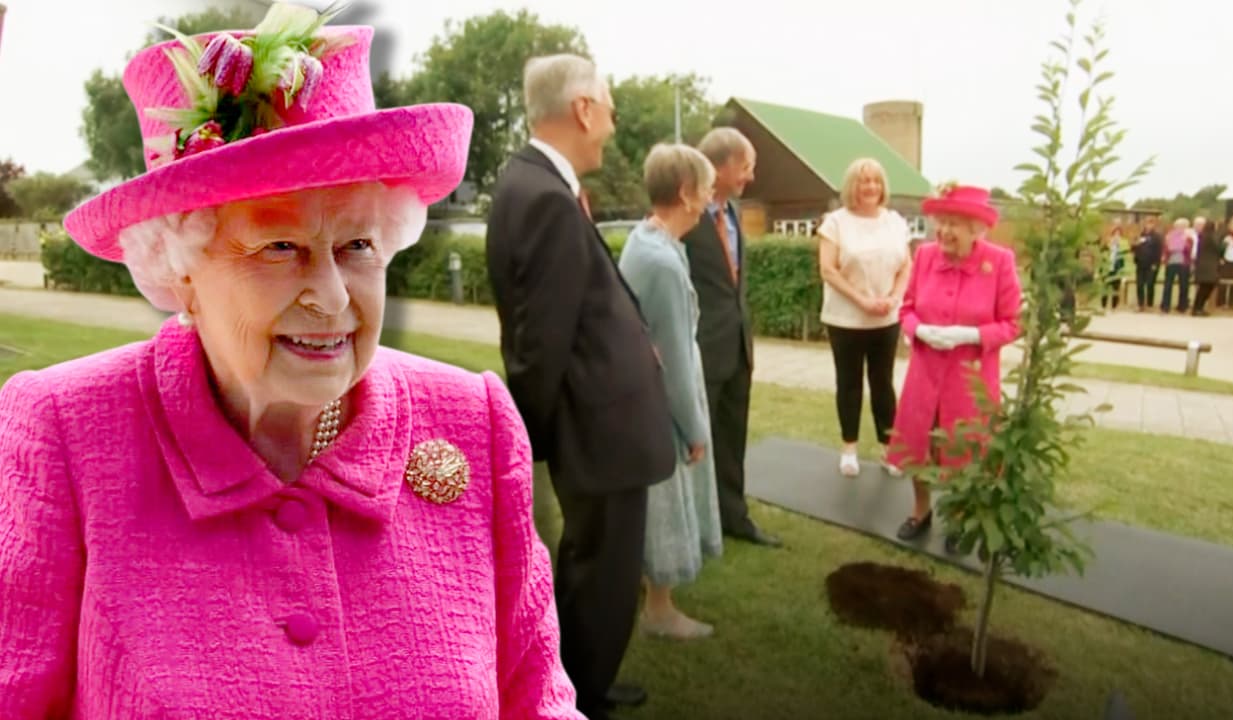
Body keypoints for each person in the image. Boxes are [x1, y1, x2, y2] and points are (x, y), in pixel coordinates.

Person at [0, 5, 582, 717]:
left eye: (357, 246)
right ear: (178, 267)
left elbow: (537, 699)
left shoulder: (473, 421)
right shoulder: (66, 435)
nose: (333, 297)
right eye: (280, 248)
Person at [484, 53, 674, 720]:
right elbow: (540, 343)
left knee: (593, 566)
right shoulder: (543, 197)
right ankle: (578, 699)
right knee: (602, 573)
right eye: (611, 109)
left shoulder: (537, 185)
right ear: (583, 110)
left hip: (600, 425)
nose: (614, 126)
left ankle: (580, 680)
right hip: (599, 430)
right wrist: (531, 438)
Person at [618, 143, 723, 640]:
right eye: (707, 189)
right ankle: (659, 610)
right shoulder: (660, 261)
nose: (710, 200)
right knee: (666, 494)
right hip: (660, 397)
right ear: (685, 192)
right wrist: (696, 429)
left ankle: (652, 597)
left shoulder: (649, 241)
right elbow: (675, 355)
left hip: (646, 392)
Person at [886, 185, 1022, 553]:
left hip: (970, 379)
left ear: (977, 229)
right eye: (941, 222)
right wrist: (919, 329)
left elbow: (1014, 323)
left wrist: (971, 334)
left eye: (954, 225)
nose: (943, 231)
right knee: (919, 443)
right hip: (925, 373)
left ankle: (961, 517)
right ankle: (920, 510)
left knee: (965, 449)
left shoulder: (1000, 262)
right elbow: (906, 309)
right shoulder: (925, 255)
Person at [682, 127, 781, 548]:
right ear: (720, 167)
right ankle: (693, 524)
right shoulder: (685, 216)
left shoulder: (735, 212)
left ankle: (733, 516)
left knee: (732, 437)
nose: (751, 176)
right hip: (701, 349)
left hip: (738, 346)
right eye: (746, 166)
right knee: (695, 440)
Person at [815, 157, 912, 477]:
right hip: (845, 319)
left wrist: (894, 298)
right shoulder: (835, 223)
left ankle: (889, 450)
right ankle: (849, 449)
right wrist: (862, 301)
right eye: (863, 180)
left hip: (886, 318)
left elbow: (906, 266)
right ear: (851, 186)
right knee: (850, 384)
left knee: (883, 384)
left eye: (875, 180)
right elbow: (828, 270)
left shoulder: (895, 221)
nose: (870, 186)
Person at [1161, 218, 1192, 313]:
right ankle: (1165, 306)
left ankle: (1182, 306)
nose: (1180, 228)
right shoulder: (1169, 236)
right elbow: (1166, 249)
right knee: (1168, 285)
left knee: (1184, 285)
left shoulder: (1189, 237)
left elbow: (1189, 250)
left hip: (1183, 263)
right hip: (1171, 262)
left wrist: (1184, 243)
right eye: (1178, 226)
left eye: (1182, 226)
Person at [1132, 215, 1162, 311]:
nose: (1148, 225)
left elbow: (1159, 251)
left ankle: (1149, 304)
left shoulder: (1157, 236)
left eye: (1150, 223)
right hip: (1140, 263)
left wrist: (1156, 263)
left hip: (1151, 264)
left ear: (1153, 225)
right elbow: (1133, 248)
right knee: (1140, 284)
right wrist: (1134, 245)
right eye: (1146, 223)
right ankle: (1140, 304)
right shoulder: (1140, 235)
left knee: (1150, 284)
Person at [1191, 219, 1221, 316]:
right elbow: (1219, 248)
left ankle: (1198, 308)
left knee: (1204, 288)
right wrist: (1225, 244)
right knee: (1206, 287)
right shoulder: (1211, 237)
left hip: (1203, 265)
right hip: (1209, 266)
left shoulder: (1202, 236)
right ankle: (1198, 308)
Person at [1101, 223, 1126, 310]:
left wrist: (1123, 274)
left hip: (1116, 270)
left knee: (1115, 289)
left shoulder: (1122, 248)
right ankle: (1103, 306)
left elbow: (1123, 261)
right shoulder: (1106, 246)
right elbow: (1102, 258)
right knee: (1105, 288)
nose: (1116, 236)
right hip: (1107, 270)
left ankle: (1114, 307)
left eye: (1118, 234)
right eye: (1115, 234)